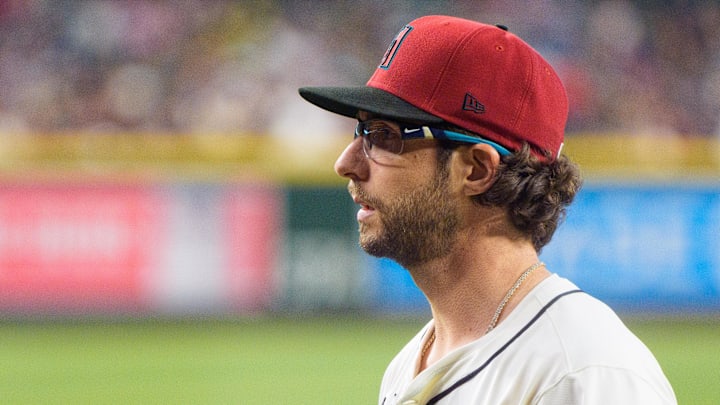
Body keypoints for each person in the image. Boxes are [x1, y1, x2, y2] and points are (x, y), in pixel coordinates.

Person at [299, 15, 676, 405]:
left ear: (477, 169)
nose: (346, 163)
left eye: (383, 136)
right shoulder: (408, 364)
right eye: (361, 132)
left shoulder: (583, 373)